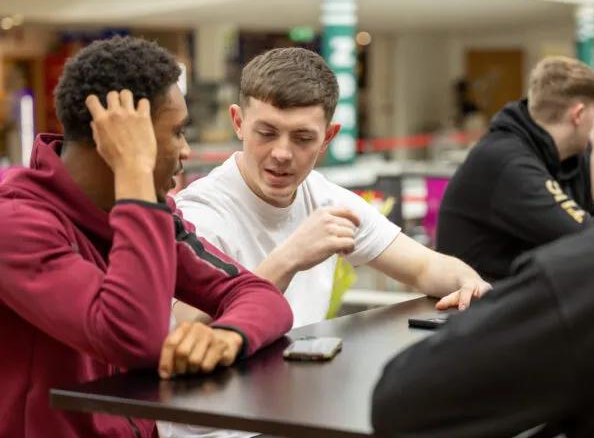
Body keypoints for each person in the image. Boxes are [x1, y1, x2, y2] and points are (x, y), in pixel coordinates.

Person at [164, 47, 490, 438]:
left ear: (327, 138)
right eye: (266, 133)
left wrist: (469, 282)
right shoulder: (200, 210)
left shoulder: (323, 196)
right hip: (217, 427)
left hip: (293, 412)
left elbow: (424, 266)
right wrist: (288, 259)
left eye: (302, 138)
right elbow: (183, 327)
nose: (282, 153)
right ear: (238, 122)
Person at [0, 36, 293, 438]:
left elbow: (259, 295)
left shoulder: (151, 214)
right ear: (120, 139)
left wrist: (228, 336)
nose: (186, 149)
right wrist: (135, 173)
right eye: (176, 131)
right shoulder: (16, 223)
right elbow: (133, 337)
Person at [371, 53, 594, 437]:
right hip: (497, 322)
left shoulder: (592, 271)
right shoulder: (506, 160)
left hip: (517, 336)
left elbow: (399, 402)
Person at [436, 57, 594, 282]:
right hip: (478, 307)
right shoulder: (506, 161)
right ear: (578, 114)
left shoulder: (570, 158)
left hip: (521, 298)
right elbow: (590, 236)